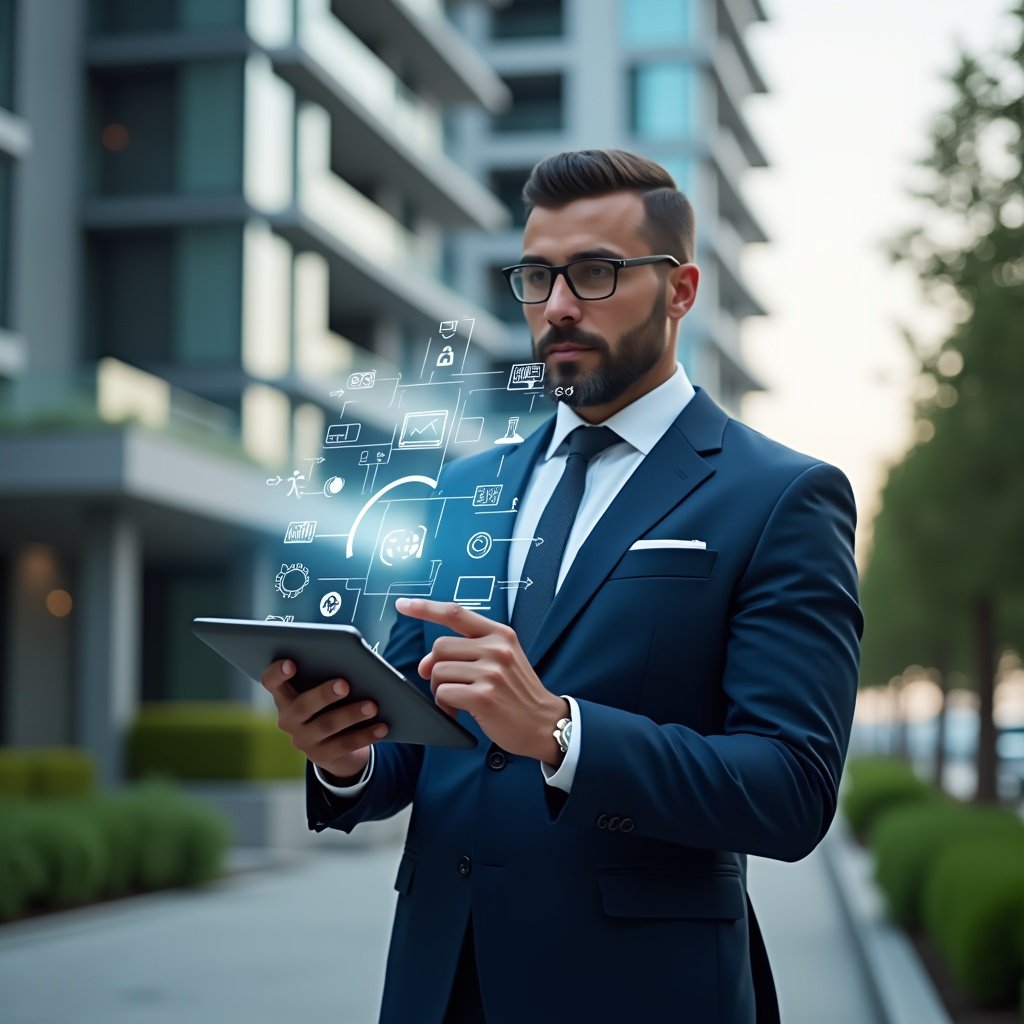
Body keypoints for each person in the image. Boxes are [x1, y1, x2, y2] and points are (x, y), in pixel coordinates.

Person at [262, 149, 862, 1024]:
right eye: (537, 276)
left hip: (642, 993)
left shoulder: (779, 496)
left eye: (595, 272)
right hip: (439, 984)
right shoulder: (464, 489)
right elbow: (414, 744)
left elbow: (790, 788)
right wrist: (345, 754)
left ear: (682, 289)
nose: (558, 306)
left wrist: (560, 732)